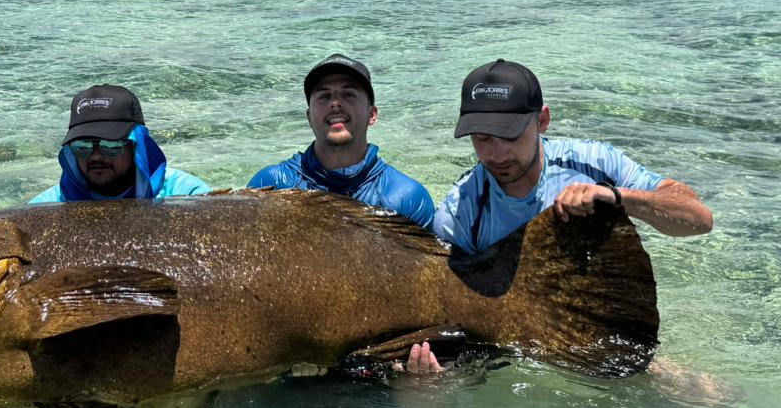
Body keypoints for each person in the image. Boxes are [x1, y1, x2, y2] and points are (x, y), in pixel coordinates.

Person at [412, 59, 713, 375]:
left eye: (510, 136)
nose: (496, 155)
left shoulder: (593, 163)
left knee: (717, 398)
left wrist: (616, 196)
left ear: (542, 120)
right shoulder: (460, 211)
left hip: (596, 332)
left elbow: (699, 220)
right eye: (482, 139)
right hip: (509, 342)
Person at [247, 54, 435, 228]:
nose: (335, 103)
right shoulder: (271, 186)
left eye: (348, 94)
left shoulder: (406, 198)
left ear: (372, 114)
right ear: (309, 116)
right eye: (324, 96)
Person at [29, 84, 211, 203]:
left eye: (111, 145)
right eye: (83, 146)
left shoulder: (188, 195)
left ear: (136, 146)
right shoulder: (46, 206)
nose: (96, 156)